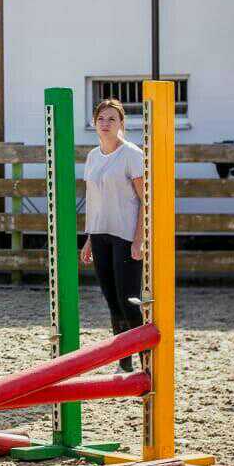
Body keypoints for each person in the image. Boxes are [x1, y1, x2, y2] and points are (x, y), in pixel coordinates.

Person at [79, 98, 146, 372]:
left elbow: (146, 200)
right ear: (94, 123)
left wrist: (139, 239)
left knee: (128, 301)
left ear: (121, 124)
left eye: (111, 119)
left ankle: (147, 361)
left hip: (125, 235)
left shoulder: (132, 154)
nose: (105, 124)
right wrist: (89, 238)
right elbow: (94, 200)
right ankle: (124, 363)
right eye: (101, 119)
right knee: (111, 302)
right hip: (100, 235)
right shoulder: (93, 156)